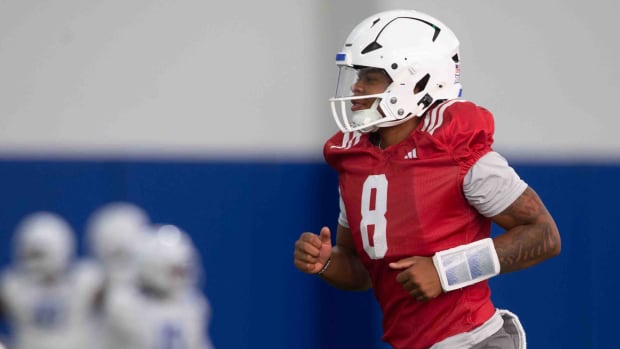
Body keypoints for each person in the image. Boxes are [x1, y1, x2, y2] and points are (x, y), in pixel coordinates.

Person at [293, 9, 561, 349]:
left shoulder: (455, 147)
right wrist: (327, 262)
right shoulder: (355, 159)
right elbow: (364, 271)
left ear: (417, 82)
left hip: (473, 341)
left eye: (372, 77)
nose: (357, 86)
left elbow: (544, 234)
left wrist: (447, 271)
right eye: (358, 75)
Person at [0, 211, 104, 349]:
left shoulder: (87, 280)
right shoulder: (12, 286)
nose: (37, 263)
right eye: (32, 255)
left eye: (39, 254)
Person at [102, 224, 215, 349]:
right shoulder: (126, 305)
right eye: (175, 271)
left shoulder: (193, 307)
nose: (181, 277)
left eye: (183, 270)